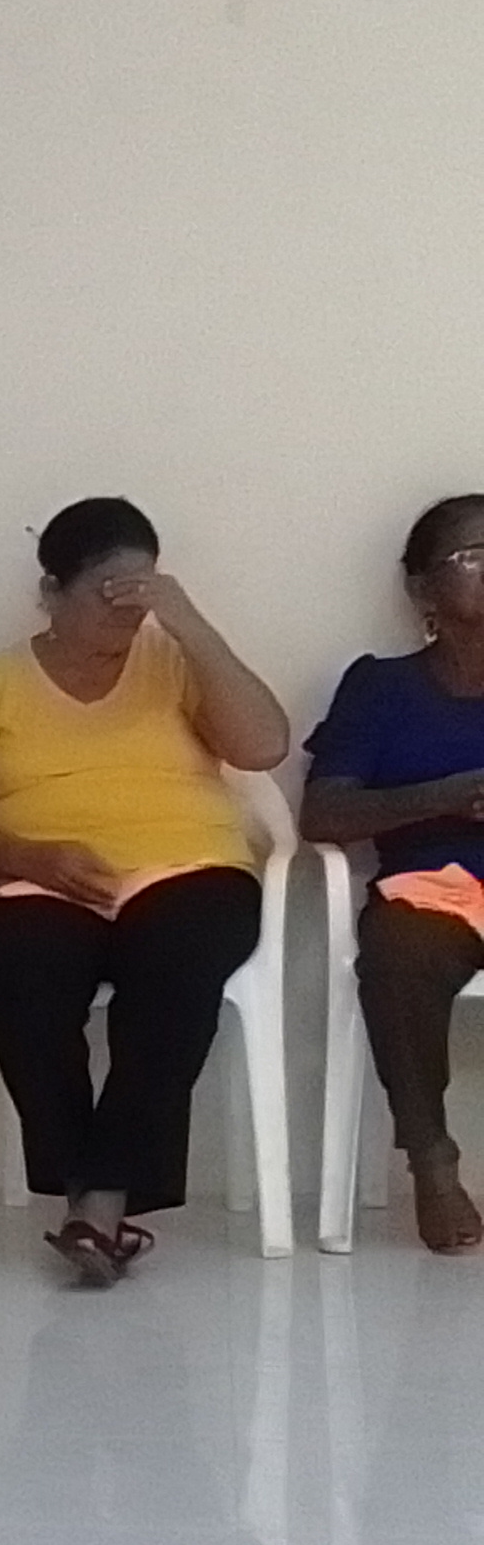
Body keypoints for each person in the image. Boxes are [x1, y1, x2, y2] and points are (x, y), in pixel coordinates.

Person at [0, 497, 290, 1285]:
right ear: (50, 593)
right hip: (41, 874)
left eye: (140, 594)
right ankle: (94, 1196)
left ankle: (99, 1201)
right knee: (19, 971)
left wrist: (189, 625)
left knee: (176, 968)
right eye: (105, 594)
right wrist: (31, 856)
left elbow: (264, 746)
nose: (125, 614)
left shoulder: (175, 661)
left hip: (188, 867)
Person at [299, 493, 484, 1252]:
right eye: (474, 557)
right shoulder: (381, 686)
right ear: (421, 589)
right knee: (397, 954)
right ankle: (432, 1163)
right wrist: (448, 796)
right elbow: (323, 815)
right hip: (433, 894)